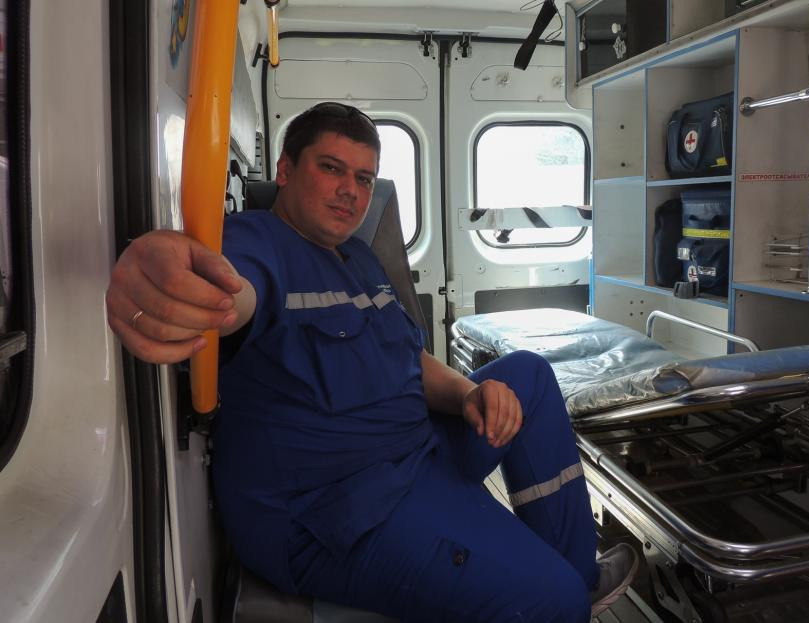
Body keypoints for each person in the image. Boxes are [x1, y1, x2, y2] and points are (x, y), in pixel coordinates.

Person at [106, 102, 638, 622]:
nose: (351, 191)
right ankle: (565, 596)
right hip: (335, 511)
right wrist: (168, 275)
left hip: (416, 454)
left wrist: (470, 395)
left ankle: (579, 574)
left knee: (528, 375)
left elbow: (409, 357)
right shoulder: (256, 242)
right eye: (331, 168)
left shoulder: (360, 259)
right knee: (552, 602)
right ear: (285, 170)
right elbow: (228, 289)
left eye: (364, 178)